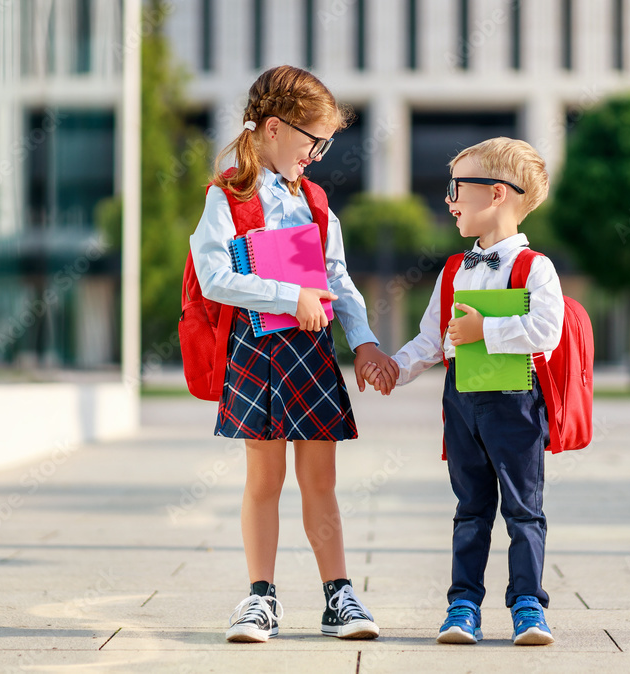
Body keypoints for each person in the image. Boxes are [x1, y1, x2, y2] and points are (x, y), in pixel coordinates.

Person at [188, 65, 399, 644]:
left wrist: (366, 342)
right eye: (315, 140)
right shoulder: (225, 197)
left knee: (320, 481)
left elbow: (338, 278)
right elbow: (213, 277)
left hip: (309, 351)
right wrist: (289, 294)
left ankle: (339, 596)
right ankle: (260, 599)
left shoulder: (315, 200)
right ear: (276, 129)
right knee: (264, 479)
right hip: (258, 349)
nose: (319, 154)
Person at [364, 137, 563, 646]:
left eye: (458, 189)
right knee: (470, 509)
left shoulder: (534, 267)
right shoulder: (454, 269)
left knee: (523, 508)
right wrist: (395, 368)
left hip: (515, 403)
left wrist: (486, 333)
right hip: (463, 404)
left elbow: (547, 330)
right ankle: (463, 605)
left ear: (497, 194)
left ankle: (527, 606)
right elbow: (431, 340)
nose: (449, 201)